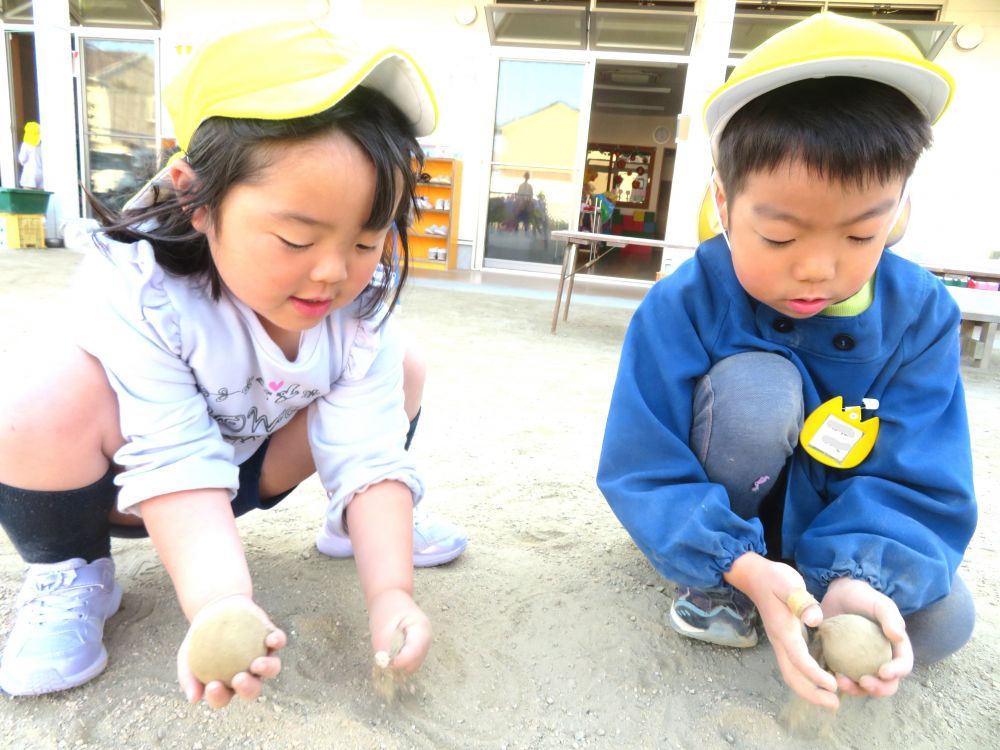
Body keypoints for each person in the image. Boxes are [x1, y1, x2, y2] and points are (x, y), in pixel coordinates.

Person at [0, 20, 465, 706]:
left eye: (369, 241)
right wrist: (220, 608)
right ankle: (71, 569)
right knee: (43, 399)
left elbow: (368, 452)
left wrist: (391, 593)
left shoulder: (355, 313)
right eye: (295, 238)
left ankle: (356, 529)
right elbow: (176, 460)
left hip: (250, 470)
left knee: (405, 368)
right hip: (131, 486)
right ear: (196, 197)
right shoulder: (142, 292)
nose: (334, 273)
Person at [597, 13, 977, 711]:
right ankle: (717, 583)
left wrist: (860, 579)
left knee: (948, 621)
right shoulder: (681, 305)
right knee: (758, 389)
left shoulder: (920, 315)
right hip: (727, 523)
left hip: (834, 534)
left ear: (897, 214)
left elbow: (920, 471)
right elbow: (641, 463)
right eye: (777, 235)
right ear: (722, 202)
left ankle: (811, 589)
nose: (817, 269)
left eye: (861, 232)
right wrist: (737, 564)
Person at [17, 121, 42, 189]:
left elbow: (22, 158)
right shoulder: (41, 145)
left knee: (27, 195)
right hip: (40, 174)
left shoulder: (26, 145)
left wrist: (21, 162)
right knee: (40, 196)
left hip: (29, 174)